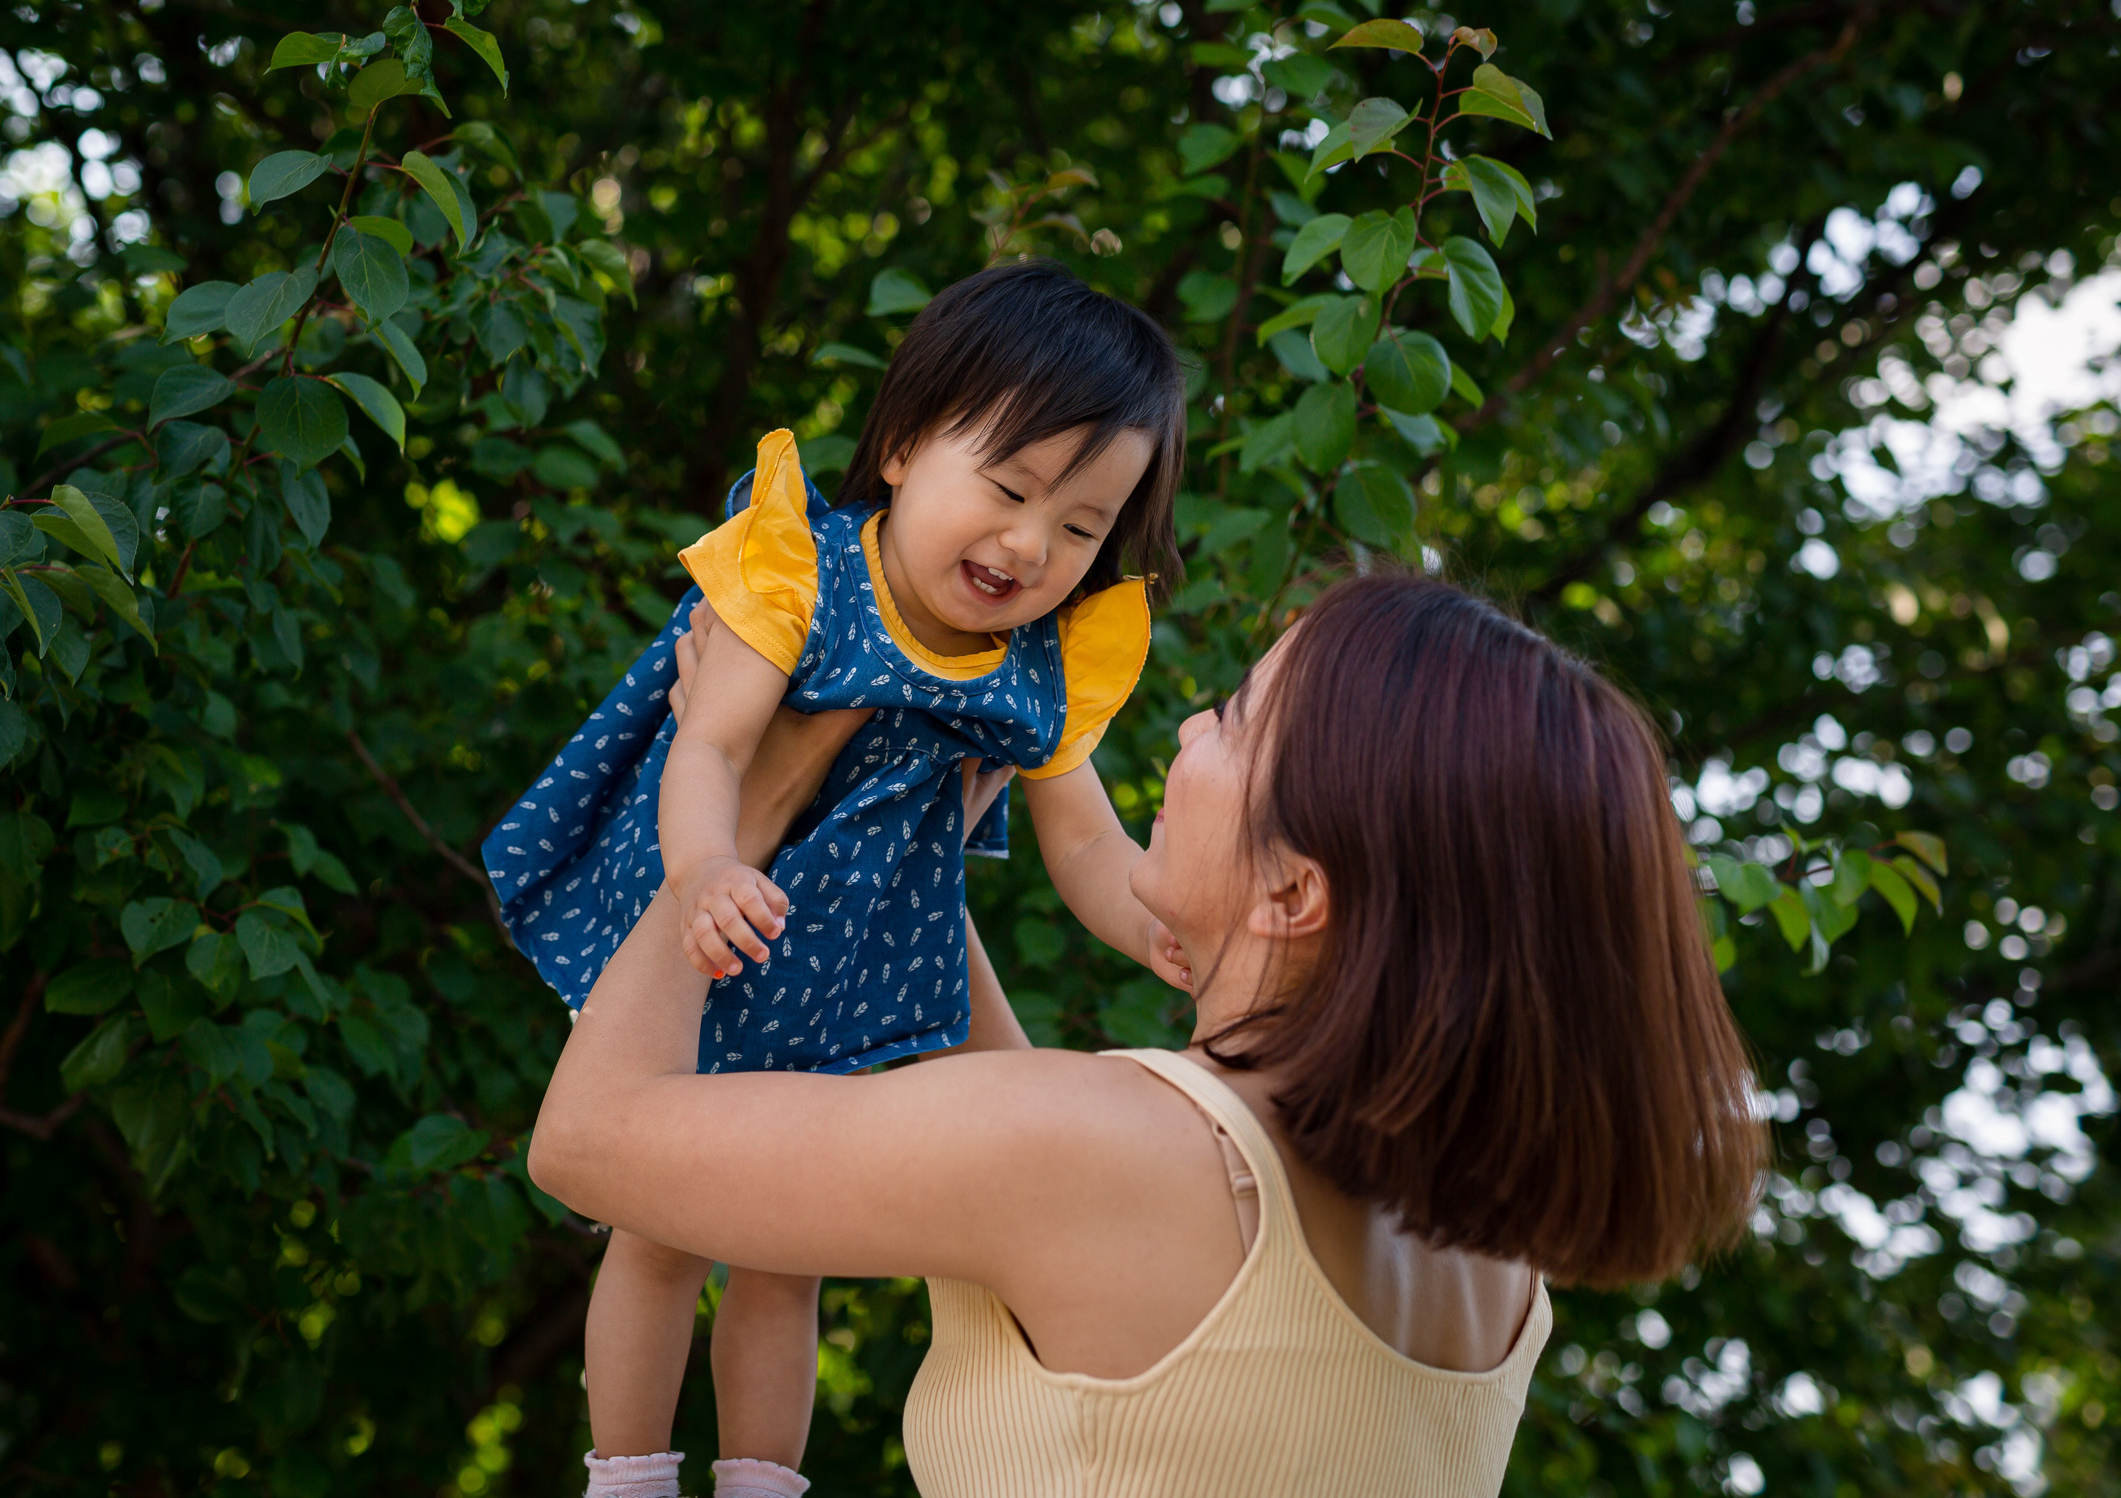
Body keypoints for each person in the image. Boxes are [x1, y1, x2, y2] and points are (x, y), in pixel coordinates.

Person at [531, 573, 1767, 1497]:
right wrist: (896, 816)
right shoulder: (1490, 1272)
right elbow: (1014, 1133)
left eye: (1232, 718)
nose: (1184, 732)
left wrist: (758, 787)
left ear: (1295, 892)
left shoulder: (1116, 1158)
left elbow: (588, 1140)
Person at [482, 260, 1191, 1498]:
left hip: (856, 980)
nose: (1030, 545)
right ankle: (630, 1478)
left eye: (1081, 526)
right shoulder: (810, 575)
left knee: (783, 1258)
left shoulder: (1035, 664)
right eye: (1010, 487)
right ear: (911, 442)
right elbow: (709, 742)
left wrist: (1181, 934)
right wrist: (704, 870)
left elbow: (1088, 848)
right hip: (722, 940)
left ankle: (762, 1482)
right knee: (655, 1231)